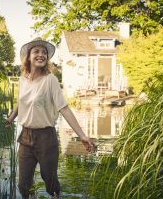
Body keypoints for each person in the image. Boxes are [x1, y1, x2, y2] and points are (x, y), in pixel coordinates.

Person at [5, 37, 96, 199]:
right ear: (28, 56)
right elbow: (20, 102)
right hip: (25, 137)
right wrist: (11, 118)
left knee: (51, 182)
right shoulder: (22, 79)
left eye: (44, 52)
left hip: (46, 138)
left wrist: (82, 136)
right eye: (36, 51)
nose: (41, 55)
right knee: (23, 184)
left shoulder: (51, 80)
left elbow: (65, 109)